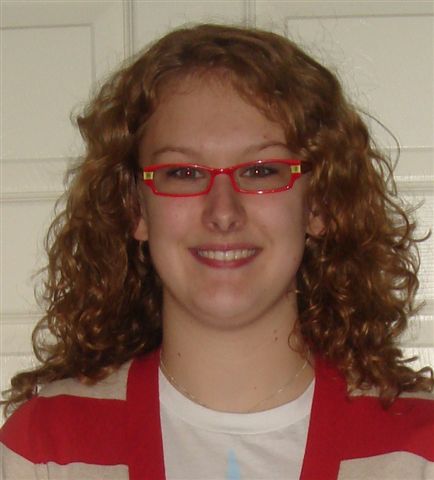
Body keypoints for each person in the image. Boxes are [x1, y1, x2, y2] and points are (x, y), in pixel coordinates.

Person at [1, 23, 433, 480]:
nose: (223, 212)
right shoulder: (47, 451)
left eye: (262, 170)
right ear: (135, 209)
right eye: (183, 173)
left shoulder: (419, 453)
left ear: (319, 204)